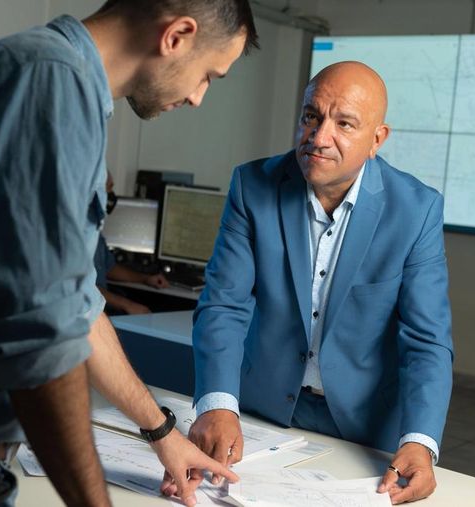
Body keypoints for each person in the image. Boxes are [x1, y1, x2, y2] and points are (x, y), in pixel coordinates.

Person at [0, 1, 257, 506]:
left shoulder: (53, 79)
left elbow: (76, 301)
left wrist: (162, 433)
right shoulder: (50, 82)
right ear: (177, 36)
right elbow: (38, 327)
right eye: (209, 75)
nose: (198, 97)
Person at [189, 61, 454, 505]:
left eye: (344, 123)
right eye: (311, 116)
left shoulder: (416, 210)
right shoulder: (252, 186)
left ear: (377, 140)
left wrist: (421, 441)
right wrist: (217, 403)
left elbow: (426, 341)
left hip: (364, 430)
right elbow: (223, 305)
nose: (318, 136)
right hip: (260, 414)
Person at [95, 172, 169, 314]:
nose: (111, 194)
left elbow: (109, 268)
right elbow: (81, 285)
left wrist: (145, 279)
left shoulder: (94, 228)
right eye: (108, 187)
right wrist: (126, 305)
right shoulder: (74, 232)